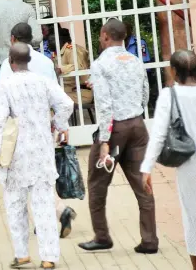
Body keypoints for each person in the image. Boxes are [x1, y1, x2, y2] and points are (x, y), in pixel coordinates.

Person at [0, 23, 77, 238]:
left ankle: (56, 212)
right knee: (41, 174)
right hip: (43, 127)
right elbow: (57, 96)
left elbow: (0, 90)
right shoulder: (44, 61)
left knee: (24, 179)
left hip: (18, 132)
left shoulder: (10, 62)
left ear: (13, 38)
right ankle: (54, 213)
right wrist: (61, 125)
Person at [78, 18, 159, 254]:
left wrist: (104, 140)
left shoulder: (101, 64)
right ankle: (150, 240)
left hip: (114, 131)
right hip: (137, 126)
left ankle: (102, 236)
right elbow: (145, 92)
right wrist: (137, 114)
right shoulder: (134, 60)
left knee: (97, 183)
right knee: (142, 183)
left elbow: (103, 104)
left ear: (104, 35)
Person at [140, 49, 196, 269]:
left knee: (192, 218)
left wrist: (147, 168)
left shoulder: (169, 95)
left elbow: (159, 134)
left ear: (173, 71)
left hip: (188, 166)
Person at [49, 28, 93, 105]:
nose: (48, 43)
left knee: (52, 101)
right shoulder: (56, 54)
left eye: (51, 40)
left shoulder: (71, 50)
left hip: (81, 93)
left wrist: (60, 70)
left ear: (60, 40)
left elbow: (77, 66)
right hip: (68, 91)